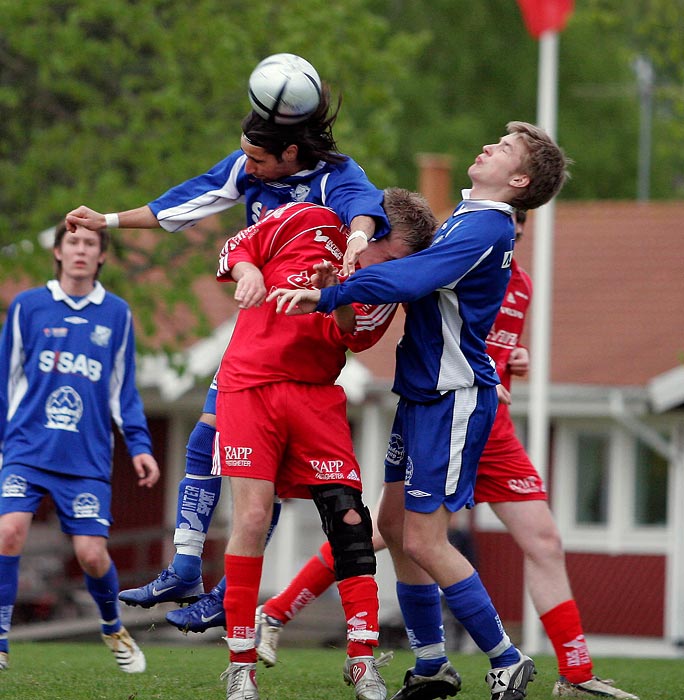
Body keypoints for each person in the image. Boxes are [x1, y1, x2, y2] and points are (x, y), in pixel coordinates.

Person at [254, 210, 639, 700]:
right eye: (510, 220)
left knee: (523, 540)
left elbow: (478, 342)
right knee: (393, 530)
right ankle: (425, 658)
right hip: (437, 404)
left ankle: (565, 670)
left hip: (472, 416)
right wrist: (342, 283)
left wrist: (510, 361)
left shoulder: (513, 281)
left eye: (520, 222)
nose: (515, 228)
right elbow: (397, 307)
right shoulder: (444, 257)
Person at [64, 69, 391, 610]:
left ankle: (226, 593)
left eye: (260, 161)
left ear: (291, 152)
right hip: (254, 342)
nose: (249, 169)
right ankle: (186, 567)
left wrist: (355, 238)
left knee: (264, 482)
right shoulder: (251, 167)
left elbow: (366, 206)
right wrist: (107, 220)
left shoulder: (336, 177)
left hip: (303, 349)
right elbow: (187, 200)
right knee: (205, 444)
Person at [269, 122, 570, 700]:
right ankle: (431, 662)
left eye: (504, 148)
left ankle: (505, 660)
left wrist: (332, 293)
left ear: (519, 179)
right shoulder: (468, 218)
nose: (488, 145)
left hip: (452, 398)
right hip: (423, 394)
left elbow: (415, 277)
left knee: (428, 540)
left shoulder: (485, 224)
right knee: (395, 528)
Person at [210, 190, 436, 700]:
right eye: (395, 258)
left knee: (352, 522)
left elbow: (353, 338)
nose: (397, 271)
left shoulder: (387, 289)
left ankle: (361, 661)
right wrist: (247, 272)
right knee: (250, 519)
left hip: (316, 394)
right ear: (372, 233)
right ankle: (241, 665)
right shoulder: (305, 218)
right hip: (250, 385)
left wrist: (338, 296)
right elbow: (233, 249)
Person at [0, 221, 160, 674]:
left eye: (90, 243)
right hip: (27, 448)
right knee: (8, 531)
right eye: (73, 242)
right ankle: (0, 639)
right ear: (57, 250)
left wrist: (140, 446)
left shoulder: (116, 314)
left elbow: (121, 390)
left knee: (92, 555)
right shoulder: (29, 306)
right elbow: (5, 378)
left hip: (85, 459)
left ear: (101, 256)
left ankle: (112, 627)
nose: (81, 250)